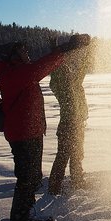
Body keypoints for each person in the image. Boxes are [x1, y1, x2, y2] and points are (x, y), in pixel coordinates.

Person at [0, 34, 90, 221]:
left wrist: (61, 50)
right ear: (13, 56)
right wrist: (64, 49)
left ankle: (24, 220)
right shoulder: (15, 73)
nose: (27, 54)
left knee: (32, 179)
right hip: (23, 135)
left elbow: (40, 69)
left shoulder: (17, 72)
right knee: (26, 182)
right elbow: (41, 68)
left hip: (30, 133)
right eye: (23, 51)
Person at [48, 37, 92, 195]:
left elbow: (82, 70)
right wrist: (56, 53)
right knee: (63, 156)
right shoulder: (62, 84)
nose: (70, 68)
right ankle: (54, 188)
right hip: (68, 123)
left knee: (77, 153)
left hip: (78, 122)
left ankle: (77, 181)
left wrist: (87, 51)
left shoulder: (74, 82)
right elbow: (57, 76)